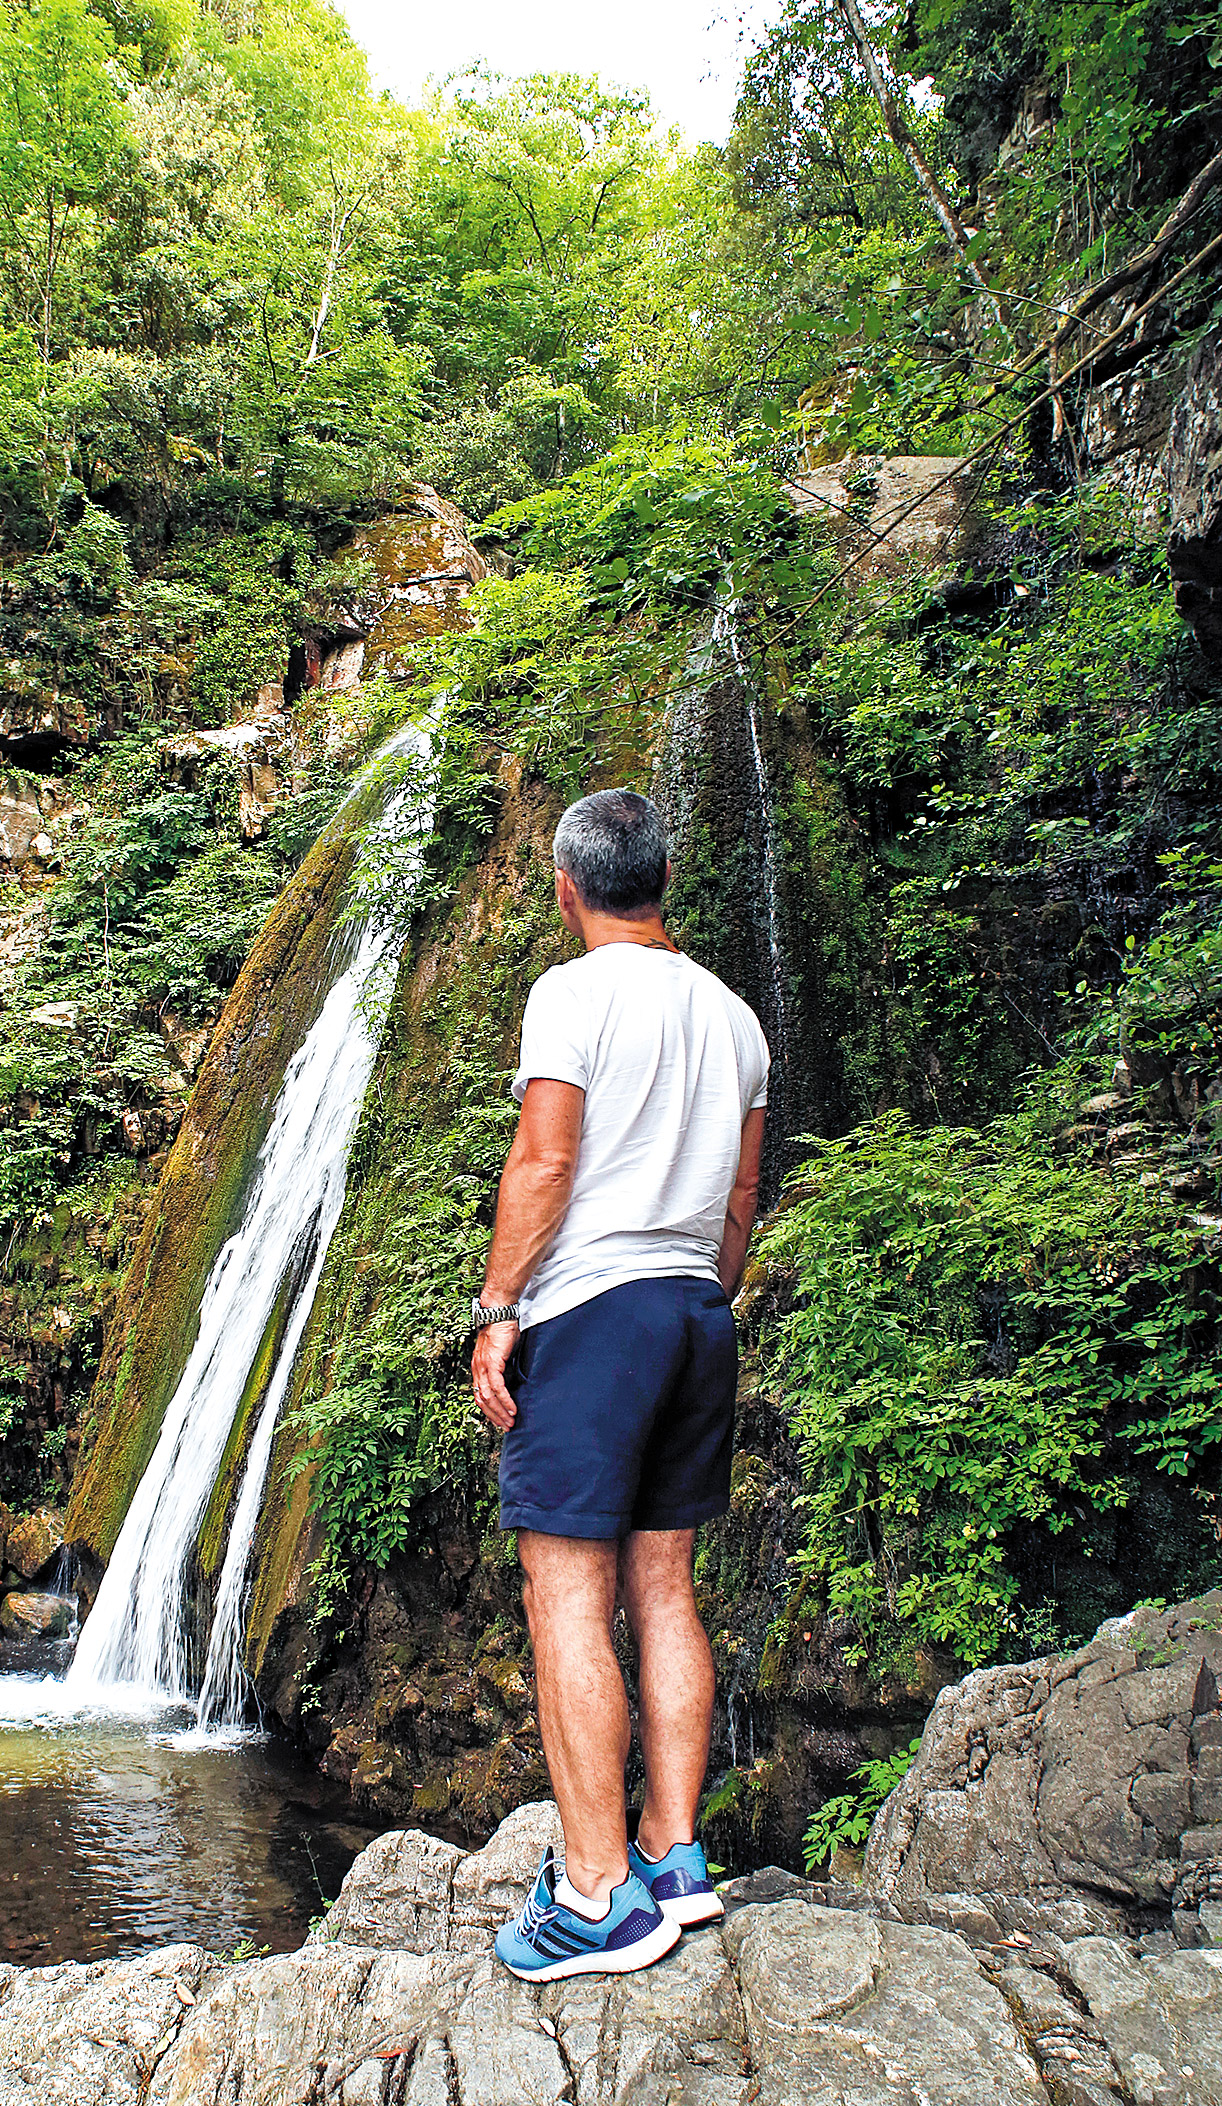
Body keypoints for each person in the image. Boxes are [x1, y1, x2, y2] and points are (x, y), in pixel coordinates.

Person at [470, 787, 769, 1982]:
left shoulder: (570, 993)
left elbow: (545, 1158)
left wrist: (498, 1310)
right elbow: (744, 1203)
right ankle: (674, 1858)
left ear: (564, 887)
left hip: (594, 1310)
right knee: (665, 1588)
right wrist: (703, 1297)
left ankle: (595, 1895)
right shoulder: (735, 1015)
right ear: (661, 883)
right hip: (698, 1310)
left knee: (562, 1597)